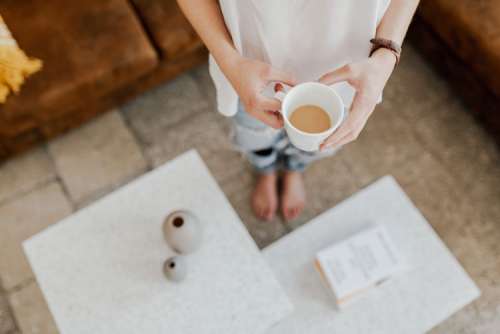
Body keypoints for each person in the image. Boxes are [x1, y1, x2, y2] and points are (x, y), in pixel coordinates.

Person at [177, 0, 420, 221]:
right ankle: (266, 171)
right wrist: (230, 61)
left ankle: (295, 169)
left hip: (348, 72)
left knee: (317, 145)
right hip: (248, 63)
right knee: (253, 135)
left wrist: (386, 55)